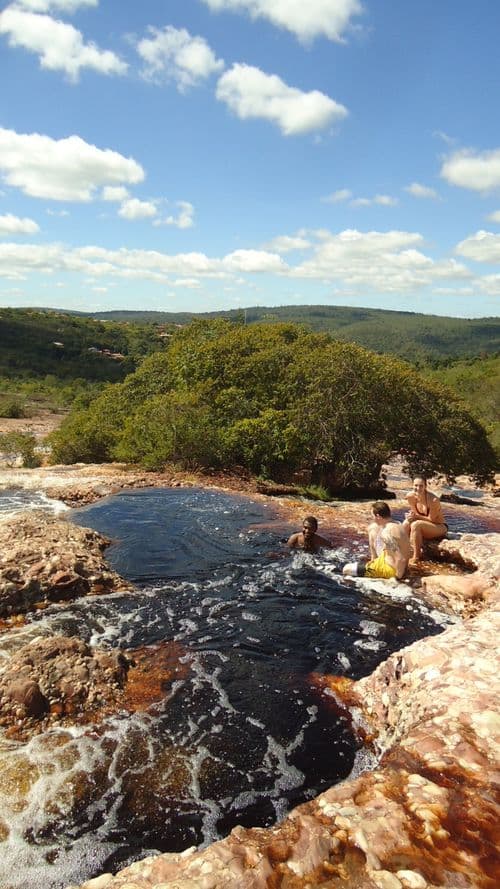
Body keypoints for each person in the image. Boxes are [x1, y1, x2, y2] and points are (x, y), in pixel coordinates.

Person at [343, 501, 410, 580]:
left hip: (389, 570)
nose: (372, 519)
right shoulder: (399, 526)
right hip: (399, 567)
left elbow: (400, 559)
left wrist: (397, 578)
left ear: (378, 516)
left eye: (372, 516)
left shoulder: (386, 533)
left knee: (346, 569)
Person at [402, 476, 448, 562]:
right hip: (424, 523)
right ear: (412, 485)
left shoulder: (433, 500)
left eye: (421, 486)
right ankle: (403, 551)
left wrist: (416, 517)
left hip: (439, 526)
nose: (418, 488)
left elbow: (432, 519)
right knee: (406, 523)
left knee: (416, 525)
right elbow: (415, 513)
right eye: (416, 485)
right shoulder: (410, 497)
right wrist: (411, 516)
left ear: (425, 486)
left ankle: (416, 557)